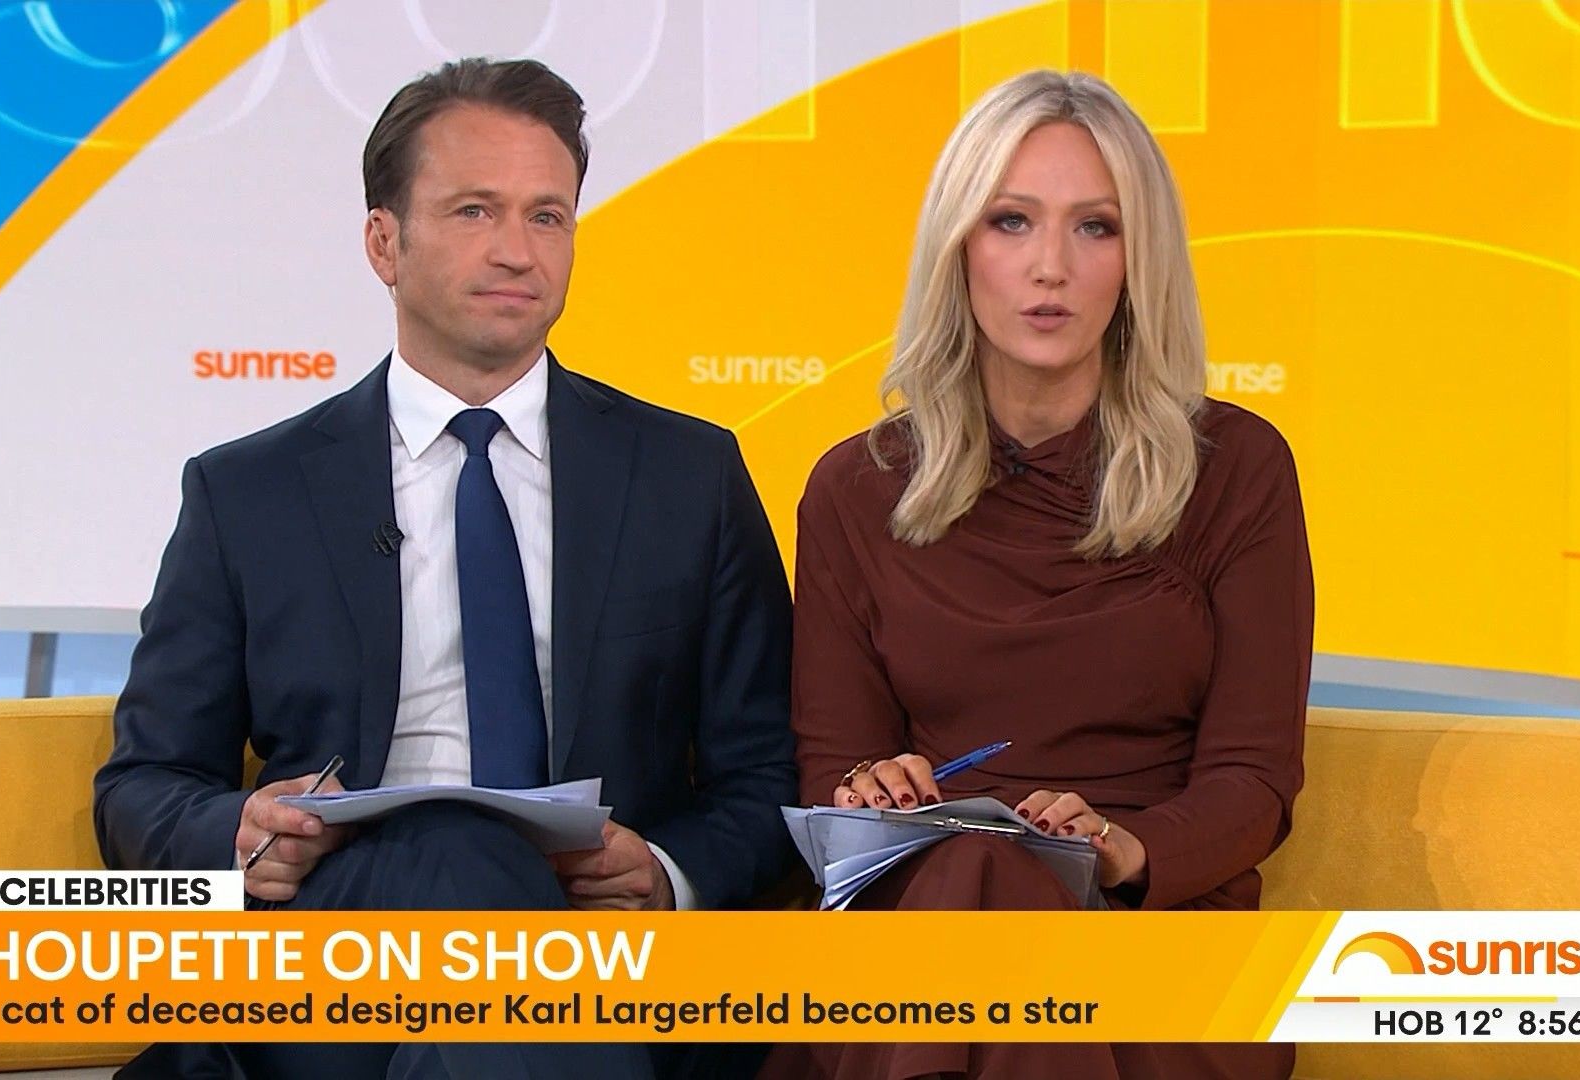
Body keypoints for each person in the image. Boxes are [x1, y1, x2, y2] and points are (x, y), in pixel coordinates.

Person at [94, 57, 797, 1080]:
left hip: (607, 951)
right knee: (459, 847)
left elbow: (769, 774)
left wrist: (662, 871)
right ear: (384, 242)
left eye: (547, 216)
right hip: (338, 957)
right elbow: (145, 782)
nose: (517, 250)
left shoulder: (688, 475)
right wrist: (237, 830)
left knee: (492, 904)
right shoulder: (250, 492)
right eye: (475, 211)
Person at [768, 70, 1313, 1080]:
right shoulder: (854, 490)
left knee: (985, 894)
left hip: (1155, 939)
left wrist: (1121, 847)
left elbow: (1255, 779)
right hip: (925, 931)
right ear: (958, 247)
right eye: (1011, 221)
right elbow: (833, 770)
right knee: (974, 872)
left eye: (1095, 227)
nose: (1050, 267)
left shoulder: (1238, 470)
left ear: (1139, 259)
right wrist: (870, 791)